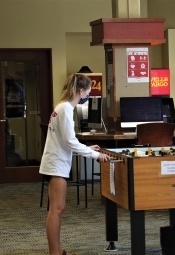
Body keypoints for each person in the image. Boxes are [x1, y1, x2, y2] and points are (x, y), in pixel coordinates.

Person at [39, 73, 111, 255]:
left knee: (58, 208)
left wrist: (87, 148)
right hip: (56, 164)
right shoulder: (65, 109)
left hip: (57, 162)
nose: (87, 96)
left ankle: (58, 251)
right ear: (80, 90)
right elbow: (70, 141)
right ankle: (55, 253)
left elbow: (66, 140)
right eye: (88, 92)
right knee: (56, 210)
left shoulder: (63, 107)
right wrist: (95, 155)